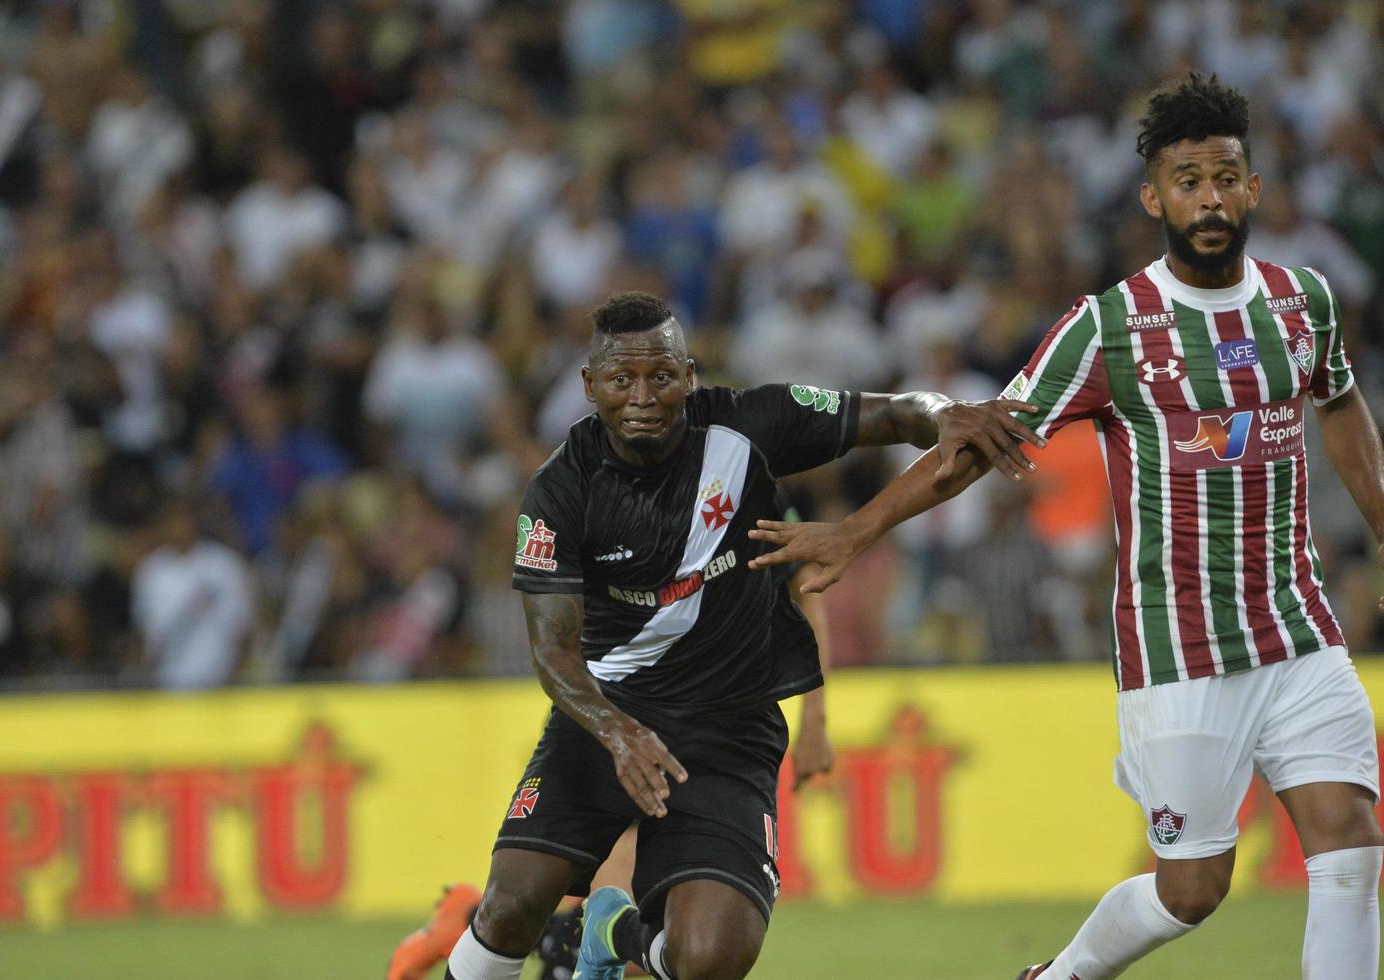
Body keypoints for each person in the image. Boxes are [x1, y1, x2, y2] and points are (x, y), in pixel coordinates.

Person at [748, 72, 1384, 980]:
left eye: (1224, 177)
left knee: (1350, 850)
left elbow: (1340, 401)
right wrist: (857, 531)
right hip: (1179, 645)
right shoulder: (1110, 326)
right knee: (1191, 888)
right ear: (1152, 196)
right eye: (1187, 180)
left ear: (1252, 188)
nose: (1208, 198)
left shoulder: (1301, 302)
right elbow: (982, 441)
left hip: (1298, 625)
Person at [440, 290, 1040, 980]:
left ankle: (613, 934)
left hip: (729, 729)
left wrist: (946, 412)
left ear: (689, 375)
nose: (641, 396)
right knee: (512, 904)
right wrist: (616, 732)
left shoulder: (750, 426)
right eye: (619, 380)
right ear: (589, 386)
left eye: (660, 377)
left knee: (711, 958)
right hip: (606, 718)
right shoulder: (558, 491)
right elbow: (551, 650)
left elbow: (895, 413)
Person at [386, 503, 835, 980]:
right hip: (619, 713)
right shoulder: (611, 486)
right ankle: (484, 923)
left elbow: (805, 587)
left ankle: (467, 921)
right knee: (604, 941)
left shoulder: (748, 483)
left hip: (713, 729)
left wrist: (815, 717)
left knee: (639, 942)